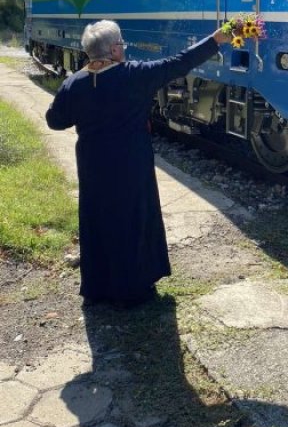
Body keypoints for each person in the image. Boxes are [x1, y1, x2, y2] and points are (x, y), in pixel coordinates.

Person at [46, 20, 231, 308]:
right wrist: (215, 40)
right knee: (133, 218)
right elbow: (180, 63)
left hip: (93, 164)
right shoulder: (135, 75)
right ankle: (133, 289)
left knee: (97, 219)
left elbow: (55, 121)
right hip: (131, 161)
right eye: (121, 43)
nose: (124, 48)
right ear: (115, 49)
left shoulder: (75, 83)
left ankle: (97, 288)